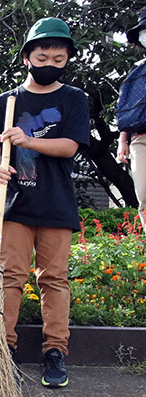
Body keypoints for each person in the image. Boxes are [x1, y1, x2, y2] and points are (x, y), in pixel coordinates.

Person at [0, 17, 90, 388]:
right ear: (27, 57)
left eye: (59, 60)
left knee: (54, 279)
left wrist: (27, 141)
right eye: (43, 57)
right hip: (16, 204)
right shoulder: (6, 101)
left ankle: (54, 352)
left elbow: (69, 146)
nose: (50, 65)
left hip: (56, 203)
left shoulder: (74, 99)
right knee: (9, 278)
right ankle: (1, 348)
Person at [117, 7, 146, 230]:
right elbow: (126, 110)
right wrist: (122, 141)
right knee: (144, 196)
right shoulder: (136, 70)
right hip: (140, 138)